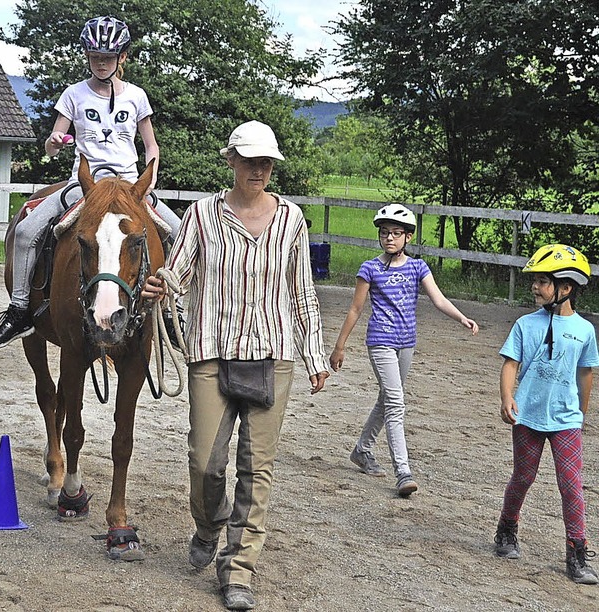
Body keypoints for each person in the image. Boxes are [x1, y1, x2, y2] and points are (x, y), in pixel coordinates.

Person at [142, 120, 329, 610]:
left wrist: (314, 354)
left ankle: (239, 569)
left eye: (266, 162)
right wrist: (163, 285)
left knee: (256, 467)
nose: (259, 169)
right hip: (211, 349)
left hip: (273, 353)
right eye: (250, 160)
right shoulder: (202, 215)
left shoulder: (292, 219)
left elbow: (302, 292)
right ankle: (208, 524)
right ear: (231, 161)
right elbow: (178, 272)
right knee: (205, 461)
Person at [0, 15, 181, 350]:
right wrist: (56, 142)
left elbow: (151, 146)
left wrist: (151, 177)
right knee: (26, 231)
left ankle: (173, 313)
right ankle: (18, 310)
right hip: (85, 185)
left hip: (130, 186)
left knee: (180, 233)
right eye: (94, 57)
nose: (101, 63)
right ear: (87, 57)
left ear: (122, 57)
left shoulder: (136, 96)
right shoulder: (74, 94)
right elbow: (50, 143)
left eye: (107, 57)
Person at [329, 204, 479, 497]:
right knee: (396, 403)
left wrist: (461, 317)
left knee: (387, 399)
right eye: (385, 233)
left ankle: (362, 450)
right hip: (380, 341)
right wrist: (340, 346)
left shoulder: (417, 267)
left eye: (396, 234)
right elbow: (356, 309)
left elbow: (437, 299)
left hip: (406, 342)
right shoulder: (369, 268)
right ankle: (403, 471)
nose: (389, 238)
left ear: (408, 237)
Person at [494, 244, 599, 584]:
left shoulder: (585, 331)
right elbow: (511, 363)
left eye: (542, 281)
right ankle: (507, 529)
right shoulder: (526, 324)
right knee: (523, 477)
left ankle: (577, 551)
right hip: (528, 416)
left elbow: (586, 373)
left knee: (571, 486)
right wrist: (508, 397)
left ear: (565, 288)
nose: (535, 287)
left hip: (566, 420)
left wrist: (580, 413)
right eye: (535, 281)